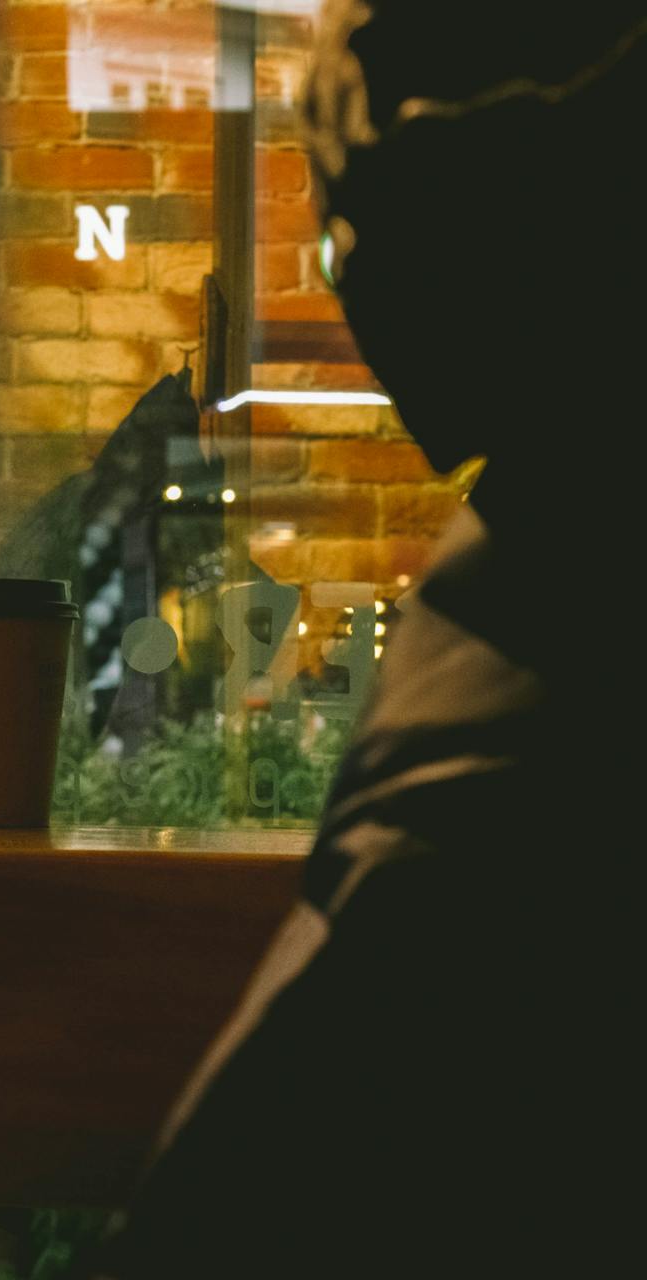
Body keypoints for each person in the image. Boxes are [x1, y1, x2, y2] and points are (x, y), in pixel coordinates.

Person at [100, 3, 644, 1275]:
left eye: (349, 236)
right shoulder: (540, 561)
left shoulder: (540, 636)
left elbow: (285, 1185)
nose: (353, 277)